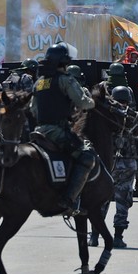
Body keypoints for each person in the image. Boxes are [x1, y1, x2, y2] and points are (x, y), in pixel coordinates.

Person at [31, 44, 96, 216]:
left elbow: (33, 110)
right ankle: (69, 200)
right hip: (57, 132)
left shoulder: (39, 82)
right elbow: (83, 103)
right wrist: (91, 100)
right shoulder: (66, 80)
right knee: (87, 157)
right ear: (64, 62)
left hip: (38, 131)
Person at [91, 86, 138, 248]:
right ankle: (118, 237)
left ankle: (95, 236)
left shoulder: (104, 113)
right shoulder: (134, 116)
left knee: (101, 199)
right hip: (127, 164)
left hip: (105, 162)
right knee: (123, 200)